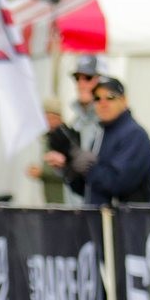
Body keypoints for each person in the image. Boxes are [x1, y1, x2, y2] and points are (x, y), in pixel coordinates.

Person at [66, 76, 150, 205]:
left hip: (129, 222)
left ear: (124, 100)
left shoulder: (135, 135)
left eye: (110, 97)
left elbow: (119, 183)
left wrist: (89, 168)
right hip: (99, 222)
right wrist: (70, 168)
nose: (103, 103)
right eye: (97, 98)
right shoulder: (100, 135)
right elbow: (89, 189)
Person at [46, 54, 103, 204]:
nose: (81, 84)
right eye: (78, 78)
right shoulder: (76, 122)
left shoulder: (105, 122)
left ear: (99, 80)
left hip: (97, 207)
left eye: (88, 78)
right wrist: (61, 164)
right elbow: (73, 170)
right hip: (75, 206)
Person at [27, 98, 74, 204]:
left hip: (64, 199)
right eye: (47, 118)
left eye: (53, 118)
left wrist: (43, 172)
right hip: (51, 199)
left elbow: (70, 170)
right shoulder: (47, 138)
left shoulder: (67, 138)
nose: (50, 122)